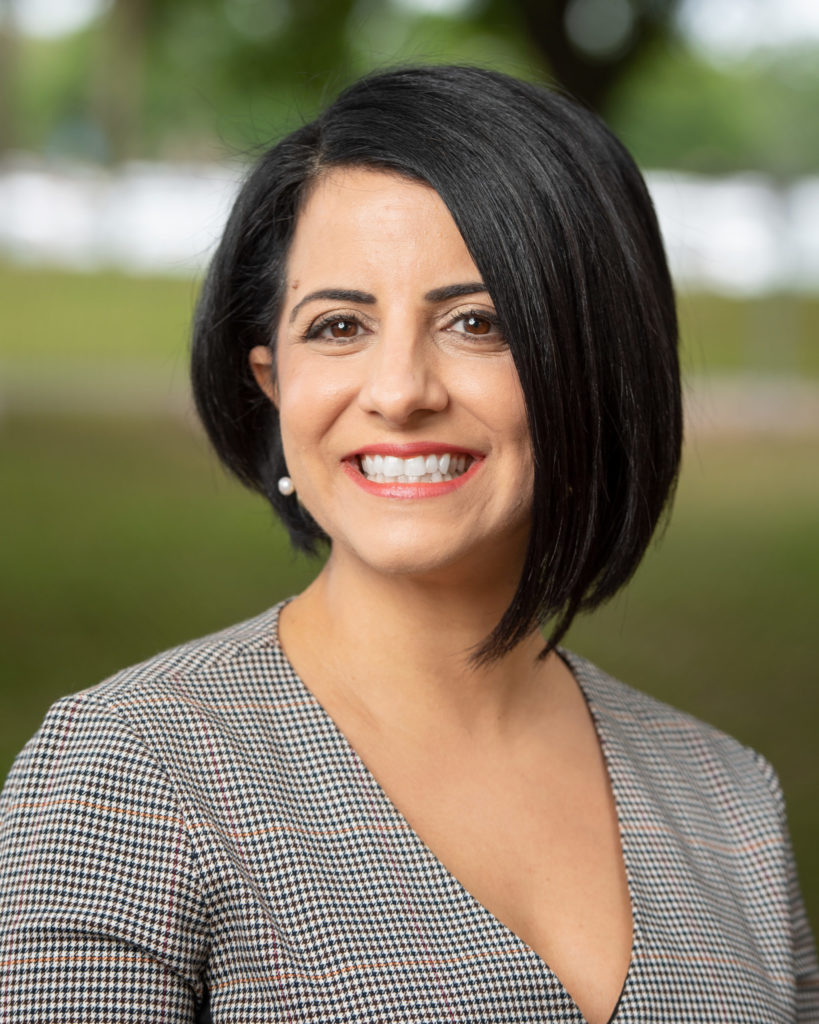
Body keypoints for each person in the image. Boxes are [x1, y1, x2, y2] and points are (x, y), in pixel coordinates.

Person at [0, 65, 816, 1024]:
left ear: (590, 361)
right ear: (272, 381)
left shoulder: (727, 799)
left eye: (478, 323)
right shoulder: (128, 774)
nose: (398, 390)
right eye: (338, 325)